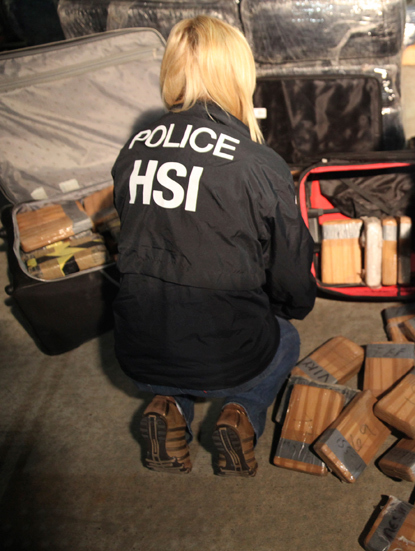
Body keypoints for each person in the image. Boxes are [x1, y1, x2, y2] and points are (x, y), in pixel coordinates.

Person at [111, 16, 316, 477]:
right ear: (238, 74)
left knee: (177, 339)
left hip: (139, 346)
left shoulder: (133, 150)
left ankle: (169, 406)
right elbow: (290, 270)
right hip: (229, 352)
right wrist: (288, 308)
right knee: (286, 338)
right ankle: (242, 413)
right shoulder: (258, 163)